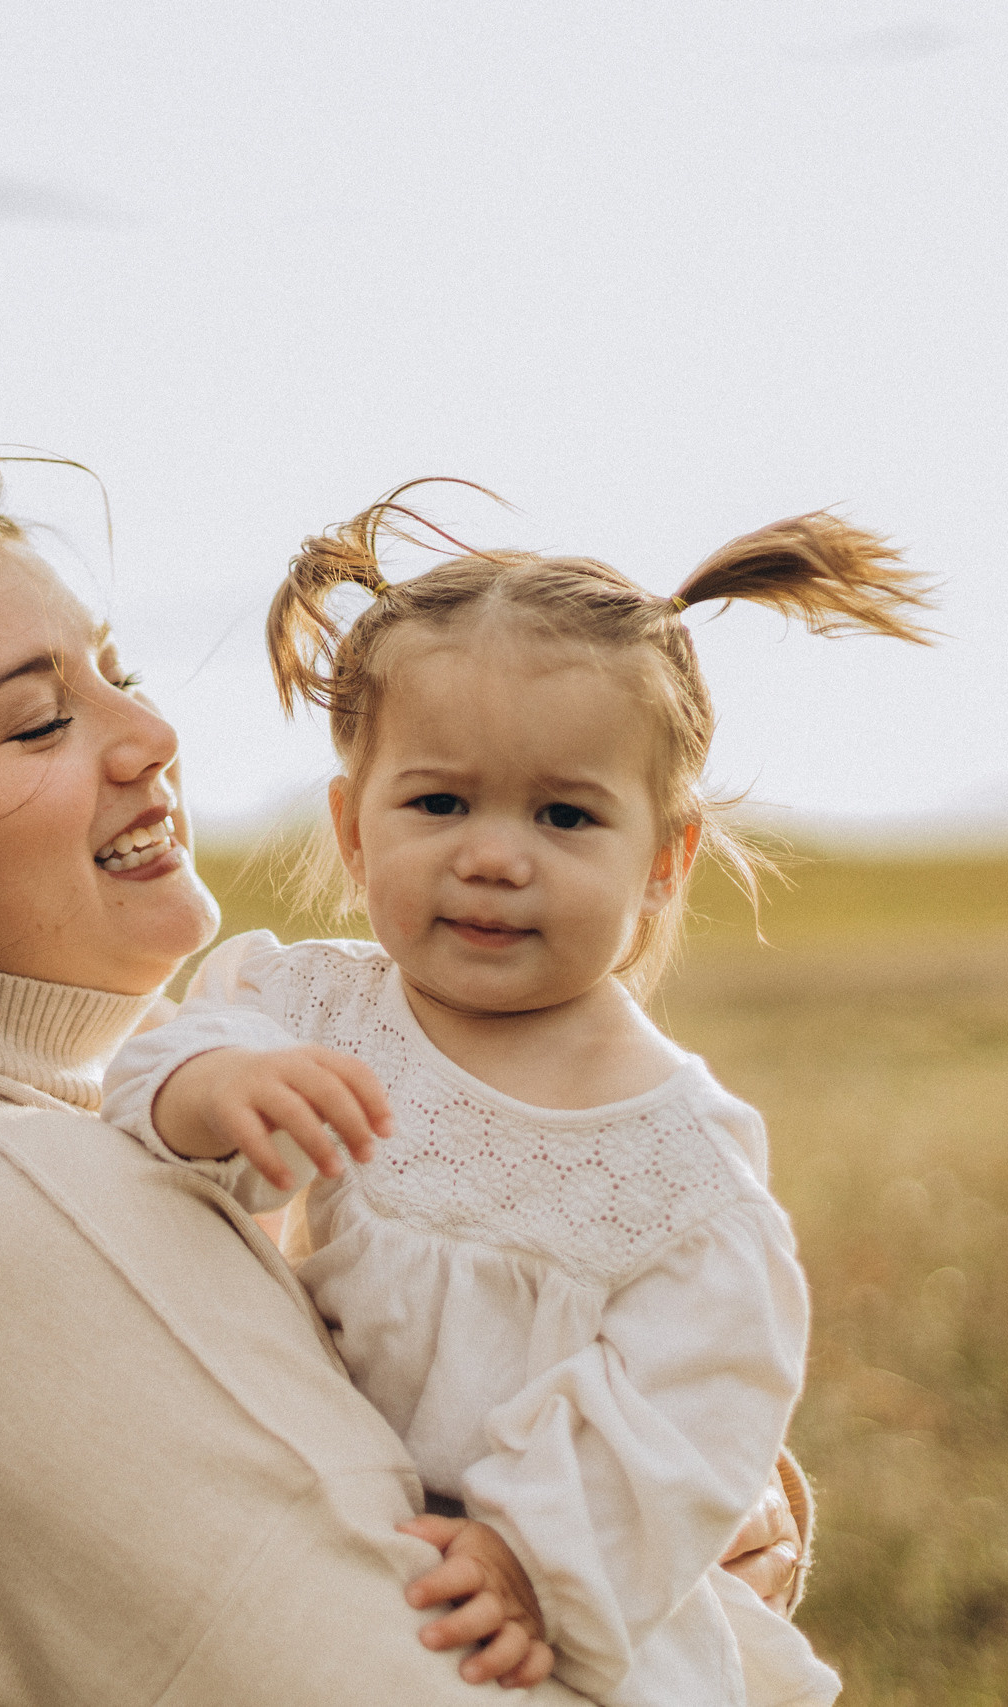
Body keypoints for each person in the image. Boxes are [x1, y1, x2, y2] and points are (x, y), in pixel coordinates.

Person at [0, 476, 811, 1705]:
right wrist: (689, 1600)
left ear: (661, 859)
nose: (150, 733)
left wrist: (657, 1530)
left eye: (117, 672)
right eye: (37, 723)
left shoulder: (39, 1118)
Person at [101, 487, 933, 1705]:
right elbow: (149, 1096)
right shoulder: (309, 1008)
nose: (494, 856)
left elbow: (692, 1409)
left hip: (546, 1616)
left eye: (564, 814)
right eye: (438, 803)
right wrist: (210, 1088)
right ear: (353, 828)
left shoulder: (676, 1156)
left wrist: (532, 1555)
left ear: (663, 860)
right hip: (314, 1544)